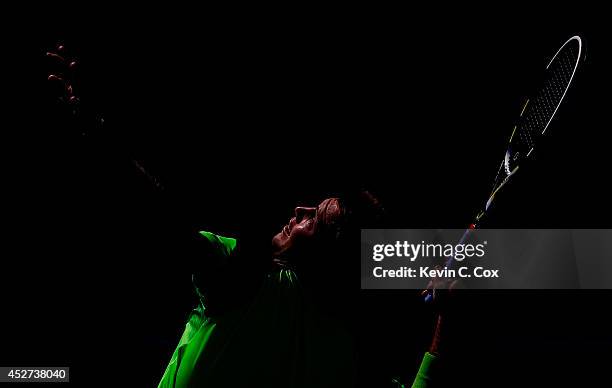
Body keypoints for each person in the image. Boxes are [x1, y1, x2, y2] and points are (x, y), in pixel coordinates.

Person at [158, 191, 446, 387]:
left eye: (315, 220)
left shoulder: (248, 277)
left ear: (331, 260)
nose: (299, 211)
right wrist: (448, 315)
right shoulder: (350, 362)